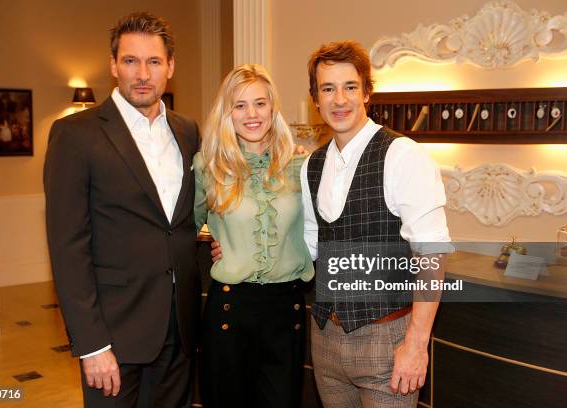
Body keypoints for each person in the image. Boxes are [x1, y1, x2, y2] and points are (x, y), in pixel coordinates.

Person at [44, 12, 200, 408]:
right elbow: (67, 248)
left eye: (153, 61)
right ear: (113, 66)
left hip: (178, 330)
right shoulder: (75, 135)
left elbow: (182, 222)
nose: (142, 73)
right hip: (114, 336)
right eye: (130, 61)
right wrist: (91, 343)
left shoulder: (187, 131)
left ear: (170, 67)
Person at [302, 40, 453, 407]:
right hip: (325, 341)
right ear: (315, 99)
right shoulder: (312, 165)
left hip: (388, 343)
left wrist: (416, 345)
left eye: (350, 87)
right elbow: (306, 250)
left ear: (367, 92)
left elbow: (432, 256)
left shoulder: (403, 156)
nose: (339, 100)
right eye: (328, 89)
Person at [193, 64, 314, 408]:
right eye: (240, 105)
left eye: (260, 103)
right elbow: (181, 231)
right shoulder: (208, 166)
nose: (251, 114)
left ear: (273, 109)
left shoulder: (299, 165)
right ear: (227, 113)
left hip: (285, 309)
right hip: (230, 310)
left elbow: (320, 227)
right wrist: (223, 244)